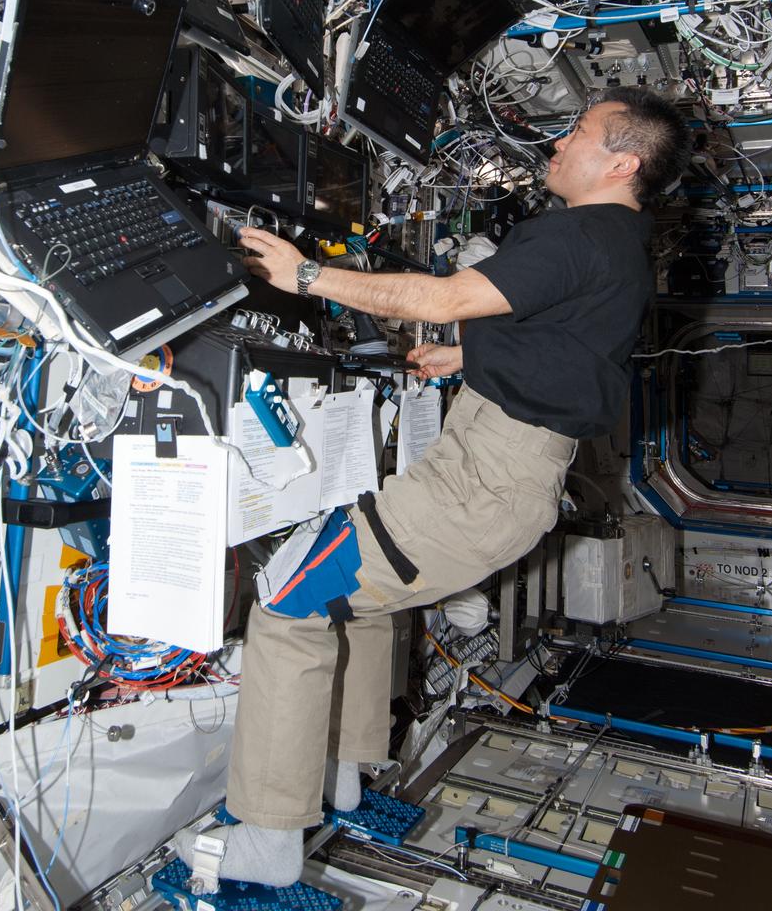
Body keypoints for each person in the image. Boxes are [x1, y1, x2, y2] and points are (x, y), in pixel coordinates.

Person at [177, 87, 690, 887]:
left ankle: (267, 841)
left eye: (579, 132)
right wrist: (466, 360)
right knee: (369, 598)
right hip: (501, 473)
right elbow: (570, 350)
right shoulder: (621, 243)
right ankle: (345, 774)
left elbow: (449, 298)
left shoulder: (578, 232)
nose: (559, 142)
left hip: (480, 486)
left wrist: (307, 272)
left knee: (287, 604)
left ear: (621, 161)